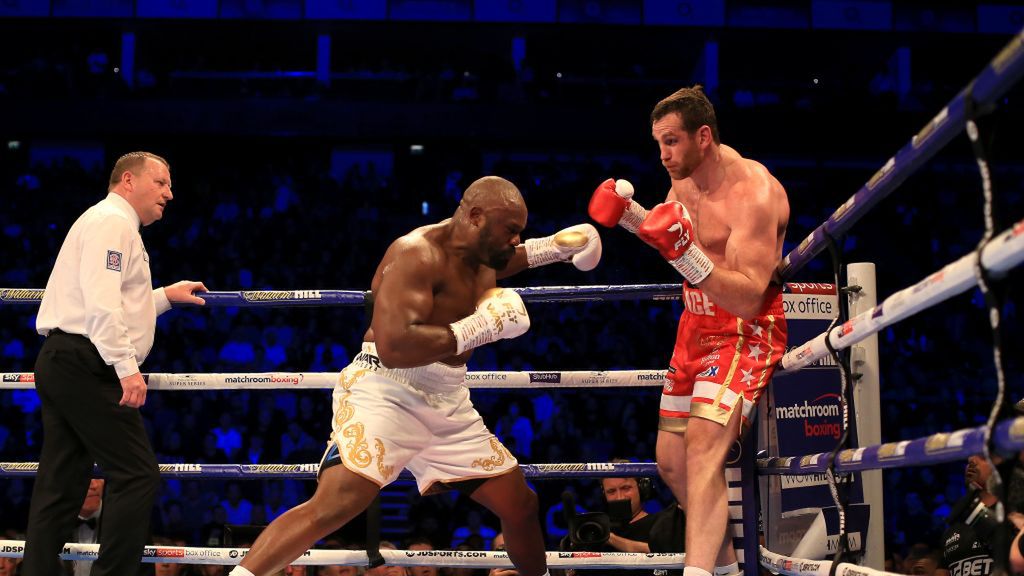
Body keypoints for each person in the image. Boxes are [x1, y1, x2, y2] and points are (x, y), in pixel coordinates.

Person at [230, 176, 602, 576]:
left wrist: (556, 248)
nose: (515, 240)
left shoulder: (479, 249)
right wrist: (481, 327)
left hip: (448, 398)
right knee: (336, 504)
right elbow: (394, 346)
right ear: (476, 217)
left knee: (521, 504)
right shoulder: (416, 254)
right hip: (388, 387)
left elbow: (501, 259)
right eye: (511, 230)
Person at [589, 85, 789, 576]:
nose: (663, 156)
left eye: (672, 142)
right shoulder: (682, 182)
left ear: (704, 136)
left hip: (745, 330)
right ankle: (723, 569)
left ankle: (696, 574)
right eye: (658, 144)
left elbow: (745, 295)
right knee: (671, 462)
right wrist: (631, 216)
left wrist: (687, 256)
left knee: (702, 448)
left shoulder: (754, 193)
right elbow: (668, 235)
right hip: (694, 327)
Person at [22, 151, 208, 576]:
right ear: (128, 180)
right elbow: (101, 305)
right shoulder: (111, 222)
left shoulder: (111, 223)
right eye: (161, 183)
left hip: (67, 360)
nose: (169, 194)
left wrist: (163, 297)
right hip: (86, 362)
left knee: (61, 485)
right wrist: (126, 367)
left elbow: (115, 301)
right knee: (138, 474)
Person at [70, 478, 105, 576]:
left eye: (98, 476)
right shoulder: (49, 523)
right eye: (86, 477)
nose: (94, 485)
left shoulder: (122, 523)